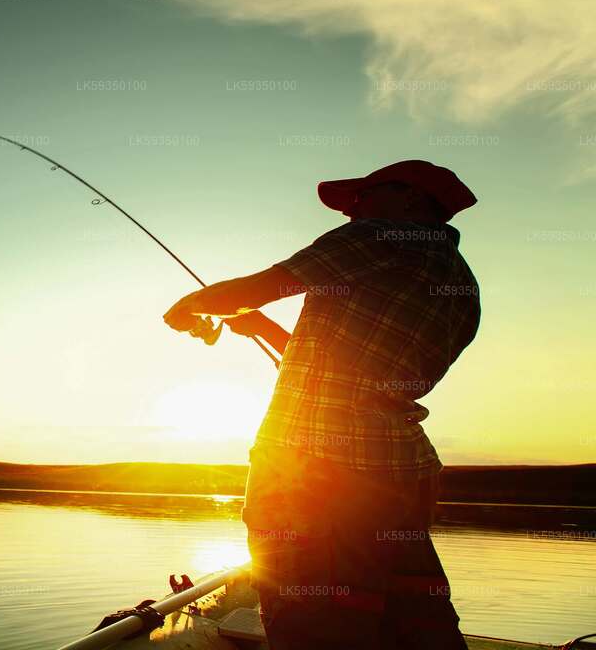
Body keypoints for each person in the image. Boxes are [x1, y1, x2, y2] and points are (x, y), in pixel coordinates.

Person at [163, 160, 480, 649]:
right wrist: (262, 326)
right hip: (403, 472)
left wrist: (188, 306)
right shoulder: (462, 284)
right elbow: (350, 371)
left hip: (317, 469)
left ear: (411, 198)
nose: (352, 211)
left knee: (310, 616)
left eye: (362, 198)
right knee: (410, 615)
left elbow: (257, 288)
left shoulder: (378, 236)